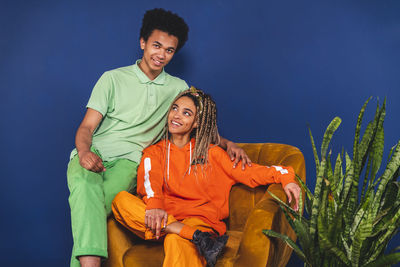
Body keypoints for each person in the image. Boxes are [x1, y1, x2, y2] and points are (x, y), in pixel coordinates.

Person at [67, 8, 250, 267]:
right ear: (142, 43)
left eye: (169, 50)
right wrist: (84, 152)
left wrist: (228, 143)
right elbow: (86, 127)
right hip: (93, 153)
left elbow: (198, 122)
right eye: (156, 45)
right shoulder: (112, 79)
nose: (161, 55)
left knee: (88, 211)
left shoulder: (178, 88)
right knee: (85, 193)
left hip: (130, 163)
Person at [112, 88, 301, 267]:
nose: (177, 115)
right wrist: (155, 206)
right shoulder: (154, 152)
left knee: (176, 239)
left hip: (199, 222)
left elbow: (253, 172)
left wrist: (287, 177)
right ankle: (197, 237)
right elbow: (149, 182)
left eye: (187, 113)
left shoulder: (213, 154)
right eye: (175, 109)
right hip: (162, 219)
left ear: (196, 123)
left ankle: (192, 234)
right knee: (120, 200)